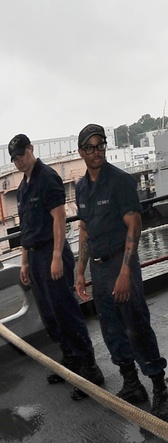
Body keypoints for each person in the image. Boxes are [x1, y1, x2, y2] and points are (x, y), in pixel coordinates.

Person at [74, 124, 168, 422]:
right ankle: (132, 384)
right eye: (90, 147)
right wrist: (80, 271)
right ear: (81, 152)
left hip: (121, 264)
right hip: (98, 268)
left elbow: (134, 224)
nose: (96, 152)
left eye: (100, 145)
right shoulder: (81, 188)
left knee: (137, 326)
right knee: (112, 330)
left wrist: (125, 273)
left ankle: (160, 389)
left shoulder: (119, 181)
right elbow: (84, 229)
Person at [10, 134, 105, 400]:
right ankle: (70, 360)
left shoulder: (47, 178)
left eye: (22, 154)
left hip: (52, 252)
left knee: (65, 312)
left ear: (31, 149)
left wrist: (55, 257)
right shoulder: (23, 188)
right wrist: (24, 262)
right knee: (50, 315)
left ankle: (89, 368)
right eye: (15, 158)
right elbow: (26, 229)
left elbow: (59, 218)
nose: (19, 161)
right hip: (35, 256)